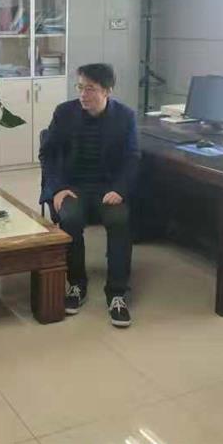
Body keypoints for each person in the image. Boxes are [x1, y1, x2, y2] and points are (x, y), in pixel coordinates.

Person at [39, 63, 139, 327]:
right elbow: (48, 153)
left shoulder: (125, 116)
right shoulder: (64, 113)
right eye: (80, 87)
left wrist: (119, 189)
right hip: (73, 186)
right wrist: (57, 188)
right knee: (70, 218)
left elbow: (132, 158)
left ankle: (117, 293)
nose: (83, 94)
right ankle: (76, 284)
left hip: (108, 188)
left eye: (90, 89)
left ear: (107, 91)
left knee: (119, 220)